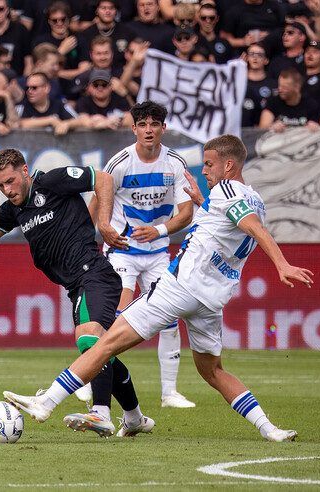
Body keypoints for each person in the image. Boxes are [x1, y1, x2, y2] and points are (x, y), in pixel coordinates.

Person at [4, 134, 314, 443]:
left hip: (180, 287)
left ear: (229, 165)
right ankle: (268, 429)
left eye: (209, 164)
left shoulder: (228, 188)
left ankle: (47, 403)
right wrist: (200, 201)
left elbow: (251, 227)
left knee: (104, 342)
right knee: (213, 372)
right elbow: (228, 225)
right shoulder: (253, 198)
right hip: (211, 300)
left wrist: (282, 263)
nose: (204, 171)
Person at [0, 149, 152, 438]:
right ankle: (134, 417)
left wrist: (105, 223)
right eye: (0, 186)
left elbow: (104, 179)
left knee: (90, 340)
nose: (7, 190)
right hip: (75, 285)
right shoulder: (15, 209)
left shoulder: (52, 182)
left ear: (25, 171)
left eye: (10, 181)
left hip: (94, 273)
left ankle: (100, 413)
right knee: (101, 351)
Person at [89, 101, 196, 408]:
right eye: (143, 124)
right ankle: (91, 376)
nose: (149, 130)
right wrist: (100, 228)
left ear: (164, 128)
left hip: (158, 251)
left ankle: (169, 392)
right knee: (115, 316)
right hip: (122, 250)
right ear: (133, 128)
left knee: (170, 316)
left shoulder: (174, 164)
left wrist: (159, 231)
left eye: (155, 124)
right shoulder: (120, 163)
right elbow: (100, 195)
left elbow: (186, 212)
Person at [16, 71, 86, 134]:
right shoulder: (22, 106)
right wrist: (50, 120)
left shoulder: (59, 104)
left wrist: (67, 124)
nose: (29, 91)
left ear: (47, 88)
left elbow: (79, 121)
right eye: (27, 88)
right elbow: (18, 123)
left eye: (34, 88)